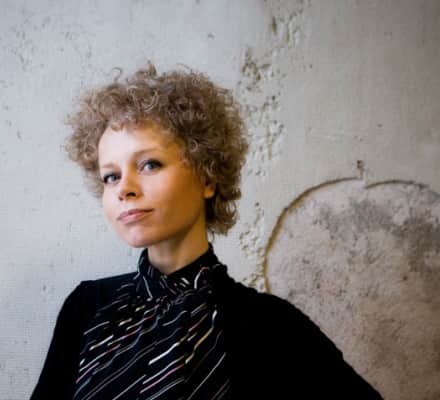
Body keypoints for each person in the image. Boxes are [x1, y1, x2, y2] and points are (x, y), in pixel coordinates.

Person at [30, 64, 383, 399]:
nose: (124, 188)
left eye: (149, 164)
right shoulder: (87, 307)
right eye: (111, 176)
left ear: (207, 177)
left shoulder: (271, 326)